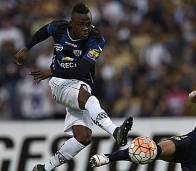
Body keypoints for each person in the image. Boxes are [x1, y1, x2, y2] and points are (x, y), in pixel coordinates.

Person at [14, 2, 133, 171]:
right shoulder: (59, 28)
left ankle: (44, 168)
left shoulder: (96, 39)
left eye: (88, 23)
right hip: (60, 84)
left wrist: (52, 70)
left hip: (77, 82)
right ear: (72, 23)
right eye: (81, 25)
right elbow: (43, 32)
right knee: (87, 97)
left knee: (83, 137)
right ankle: (115, 131)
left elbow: (81, 70)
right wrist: (27, 47)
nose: (86, 28)